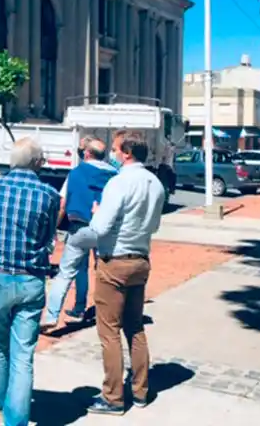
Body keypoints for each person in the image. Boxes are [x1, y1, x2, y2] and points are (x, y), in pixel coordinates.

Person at [66, 130, 165, 415]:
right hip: (140, 259)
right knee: (135, 327)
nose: (112, 153)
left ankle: (113, 396)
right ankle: (141, 389)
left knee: (109, 331)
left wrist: (96, 213)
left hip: (114, 260)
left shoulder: (119, 183)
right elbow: (155, 226)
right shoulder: (156, 184)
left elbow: (100, 228)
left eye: (115, 149)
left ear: (126, 153)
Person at [0, 137, 61, 426]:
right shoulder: (48, 194)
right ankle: (16, 420)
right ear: (37, 162)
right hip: (30, 278)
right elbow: (48, 234)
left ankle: (0, 405)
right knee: (23, 354)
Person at [42, 135, 117, 329]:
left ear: (88, 153)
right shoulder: (115, 175)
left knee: (68, 272)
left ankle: (54, 315)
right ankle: (107, 312)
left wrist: (53, 230)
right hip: (106, 230)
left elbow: (62, 203)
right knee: (104, 272)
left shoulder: (76, 173)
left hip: (79, 228)